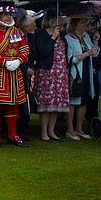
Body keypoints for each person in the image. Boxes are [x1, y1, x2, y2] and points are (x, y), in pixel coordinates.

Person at [0, 2, 30, 148]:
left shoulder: (17, 32)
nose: (9, 17)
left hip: (14, 74)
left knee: (13, 106)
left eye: (10, 14)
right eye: (6, 14)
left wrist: (19, 60)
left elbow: (25, 48)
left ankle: (12, 135)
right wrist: (4, 62)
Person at [34, 12, 69, 142]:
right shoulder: (41, 33)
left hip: (60, 72)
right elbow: (43, 51)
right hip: (47, 72)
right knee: (46, 104)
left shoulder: (62, 34)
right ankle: (44, 132)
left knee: (56, 104)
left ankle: (51, 131)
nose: (60, 21)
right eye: (58, 19)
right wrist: (53, 37)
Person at [65, 17, 98, 141]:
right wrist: (87, 54)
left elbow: (94, 53)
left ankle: (79, 128)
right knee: (73, 101)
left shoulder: (85, 37)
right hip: (75, 73)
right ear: (75, 24)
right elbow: (70, 59)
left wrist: (95, 42)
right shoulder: (68, 39)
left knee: (83, 100)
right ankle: (70, 129)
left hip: (86, 72)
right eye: (83, 22)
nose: (86, 25)